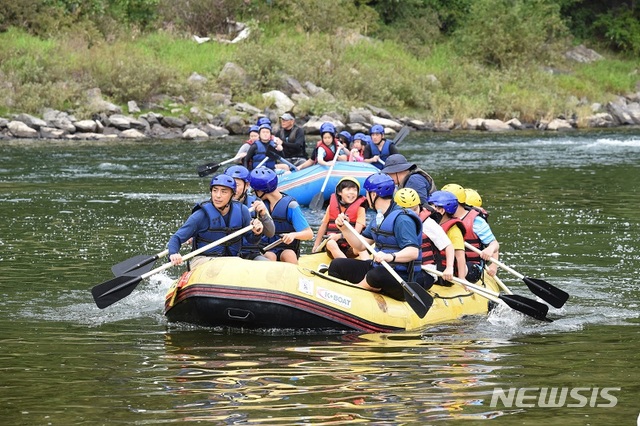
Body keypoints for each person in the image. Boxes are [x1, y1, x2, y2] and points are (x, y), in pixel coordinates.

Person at [327, 173, 423, 301]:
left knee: (376, 274)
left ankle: (351, 297)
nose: (366, 197)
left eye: (367, 193)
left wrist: (390, 257)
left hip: (401, 278)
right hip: (379, 269)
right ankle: (334, 297)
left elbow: (413, 252)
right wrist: (344, 228)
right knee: (337, 265)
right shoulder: (379, 218)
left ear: (373, 195)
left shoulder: (403, 219)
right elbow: (360, 246)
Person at [167, 174, 264, 270]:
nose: (218, 196)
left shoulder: (242, 211)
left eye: (224, 192)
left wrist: (257, 233)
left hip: (232, 261)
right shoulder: (200, 215)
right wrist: (174, 253)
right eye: (215, 190)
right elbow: (176, 238)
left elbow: (252, 240)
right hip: (203, 261)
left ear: (232, 194)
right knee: (224, 266)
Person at [248, 167, 313, 264]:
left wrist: (293, 235)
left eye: (255, 191)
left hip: (287, 248)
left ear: (261, 191)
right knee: (270, 256)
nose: (254, 194)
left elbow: (309, 234)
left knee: (288, 254)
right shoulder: (258, 205)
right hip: (266, 250)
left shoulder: (291, 206)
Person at [394, 188, 455, 289]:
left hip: (426, 272)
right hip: (404, 269)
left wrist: (449, 268)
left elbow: (448, 246)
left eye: (414, 209)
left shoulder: (428, 224)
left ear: (419, 206)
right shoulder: (395, 221)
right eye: (407, 210)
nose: (412, 213)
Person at [442, 183, 500, 280]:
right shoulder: (441, 218)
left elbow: (494, 244)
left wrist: (491, 255)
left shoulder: (477, 222)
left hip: (471, 267)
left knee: (461, 265)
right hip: (447, 263)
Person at [225, 165, 276, 260]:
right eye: (229, 184)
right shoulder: (217, 203)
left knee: (267, 265)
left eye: (237, 184)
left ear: (247, 185)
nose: (233, 188)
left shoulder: (256, 202)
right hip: (225, 255)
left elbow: (270, 233)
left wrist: (263, 215)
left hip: (250, 253)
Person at [312, 177, 367, 260]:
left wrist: (339, 236)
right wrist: (316, 245)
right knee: (330, 243)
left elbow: (357, 232)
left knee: (361, 248)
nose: (352, 193)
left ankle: (369, 267)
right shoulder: (331, 207)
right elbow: (323, 226)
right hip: (334, 245)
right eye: (348, 189)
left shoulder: (360, 209)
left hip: (351, 245)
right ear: (339, 192)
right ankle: (345, 266)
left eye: (355, 190)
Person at [427, 190, 467, 281]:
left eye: (432, 206)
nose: (428, 209)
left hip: (449, 271)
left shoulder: (454, 230)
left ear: (441, 210)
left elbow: (460, 256)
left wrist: (462, 278)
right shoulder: (431, 225)